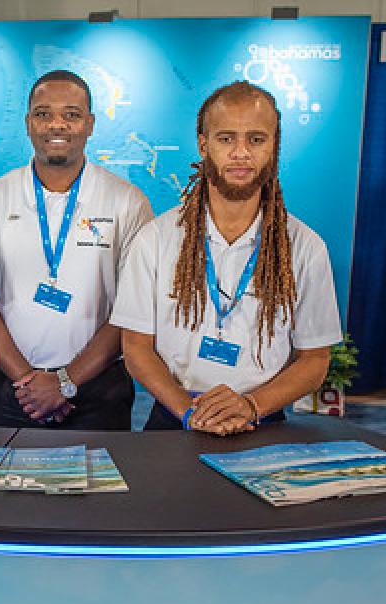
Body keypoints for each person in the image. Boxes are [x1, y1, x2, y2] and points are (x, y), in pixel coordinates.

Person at [110, 81, 342, 434]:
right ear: (204, 146)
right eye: (226, 138)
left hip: (262, 419)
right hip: (175, 416)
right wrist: (191, 412)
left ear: (274, 146)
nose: (241, 152)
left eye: (256, 139)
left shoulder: (305, 246)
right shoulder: (156, 238)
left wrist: (251, 405)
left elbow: (315, 360)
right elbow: (136, 347)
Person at [0, 70, 153, 430]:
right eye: (43, 114)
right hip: (12, 385)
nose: (57, 125)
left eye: (71, 114)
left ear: (90, 124)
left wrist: (66, 382)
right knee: (5, 485)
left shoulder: (127, 202)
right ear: (27, 123)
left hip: (98, 388)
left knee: (98, 486)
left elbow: (132, 310)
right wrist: (28, 381)